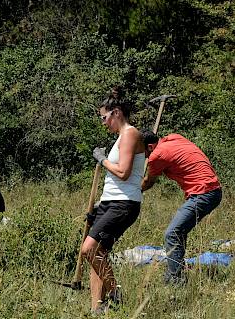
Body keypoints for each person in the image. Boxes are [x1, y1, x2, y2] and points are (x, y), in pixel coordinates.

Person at [80, 87, 145, 314]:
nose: (103, 122)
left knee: (89, 249)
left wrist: (102, 160)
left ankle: (115, 292)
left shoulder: (130, 134)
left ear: (116, 113)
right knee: (98, 254)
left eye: (104, 117)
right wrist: (101, 203)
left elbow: (123, 172)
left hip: (124, 203)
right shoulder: (120, 137)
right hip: (111, 202)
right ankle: (97, 310)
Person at [141, 131, 223, 285]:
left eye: (144, 153)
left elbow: (148, 182)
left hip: (204, 193)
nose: (145, 157)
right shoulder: (174, 138)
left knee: (172, 234)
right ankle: (175, 270)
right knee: (179, 232)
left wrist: (132, 191)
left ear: (150, 147)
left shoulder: (156, 155)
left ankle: (176, 280)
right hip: (212, 190)